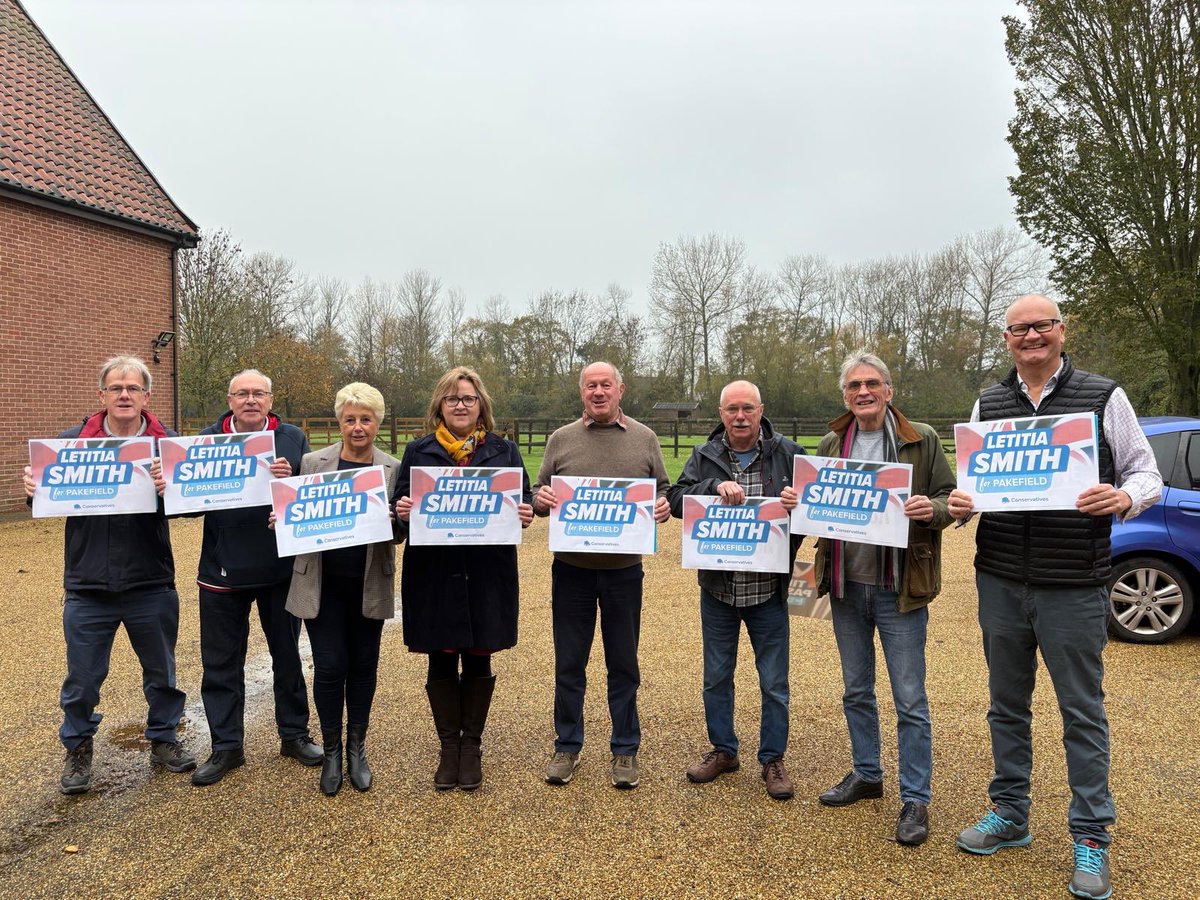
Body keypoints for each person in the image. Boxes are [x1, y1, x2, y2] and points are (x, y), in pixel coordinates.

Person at [949, 295, 1161, 899]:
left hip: (1074, 581)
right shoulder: (990, 402)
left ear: (1062, 331)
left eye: (1042, 325)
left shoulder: (1102, 395)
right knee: (1005, 705)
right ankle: (1010, 813)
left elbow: (1146, 471)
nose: (1031, 336)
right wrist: (964, 504)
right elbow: (976, 485)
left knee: (1081, 712)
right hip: (1000, 578)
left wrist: (1124, 498)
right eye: (1019, 328)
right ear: (1007, 337)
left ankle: (1091, 836)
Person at [22, 355, 195, 794]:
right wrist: (32, 490)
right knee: (81, 679)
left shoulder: (167, 443)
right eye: (116, 388)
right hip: (87, 584)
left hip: (150, 581)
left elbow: (191, 504)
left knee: (162, 674)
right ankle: (78, 748)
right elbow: (47, 501)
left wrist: (170, 490)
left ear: (146, 396)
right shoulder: (72, 442)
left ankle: (163, 738)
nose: (124, 395)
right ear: (102, 395)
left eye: (132, 388)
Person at [812, 352, 955, 846]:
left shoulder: (923, 440)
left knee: (910, 698)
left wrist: (928, 509)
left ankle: (915, 797)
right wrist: (798, 503)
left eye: (872, 383)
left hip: (900, 589)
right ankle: (867, 773)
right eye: (854, 385)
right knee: (855, 690)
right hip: (847, 586)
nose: (863, 392)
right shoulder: (833, 442)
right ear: (845, 395)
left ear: (889, 391)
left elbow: (952, 500)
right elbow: (815, 504)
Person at [394, 366, 534, 791]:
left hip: (486, 572)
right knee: (440, 654)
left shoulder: (503, 451)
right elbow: (399, 512)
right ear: (440, 405)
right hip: (434, 573)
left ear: (481, 406)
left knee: (478, 655)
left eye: (468, 398)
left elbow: (522, 499)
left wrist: (524, 512)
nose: (460, 404)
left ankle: (471, 746)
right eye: (452, 398)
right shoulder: (418, 452)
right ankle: (447, 747)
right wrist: (400, 512)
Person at [532, 361, 671, 789]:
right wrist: (542, 499)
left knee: (623, 664)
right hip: (571, 571)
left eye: (605, 385)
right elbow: (539, 496)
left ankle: (625, 748)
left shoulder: (645, 439)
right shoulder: (561, 439)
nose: (598, 392)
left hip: (624, 573)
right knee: (569, 663)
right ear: (582, 393)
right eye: (590, 385)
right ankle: (567, 745)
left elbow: (663, 490)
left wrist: (663, 506)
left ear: (620, 390)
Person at [666, 379, 804, 801]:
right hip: (719, 589)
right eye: (731, 409)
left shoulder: (790, 453)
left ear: (761, 410)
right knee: (716, 676)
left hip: (770, 588)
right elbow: (675, 499)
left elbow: (816, 510)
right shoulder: (704, 455)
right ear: (721, 414)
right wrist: (710, 488)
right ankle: (724, 750)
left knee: (774, 681)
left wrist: (801, 503)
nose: (740, 416)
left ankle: (772, 758)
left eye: (747, 408)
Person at [187, 369, 321, 786]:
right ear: (229, 399)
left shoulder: (293, 436)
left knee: (287, 656)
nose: (250, 400)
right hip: (221, 570)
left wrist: (291, 482)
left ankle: (294, 735)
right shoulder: (206, 440)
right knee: (222, 663)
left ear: (269, 398)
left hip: (279, 568)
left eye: (258, 393)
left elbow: (309, 492)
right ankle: (226, 746)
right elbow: (188, 505)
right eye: (241, 393)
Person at [283, 383, 400, 797]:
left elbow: (401, 533)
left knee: (364, 666)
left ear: (377, 422)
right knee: (331, 666)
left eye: (365, 419)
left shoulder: (392, 468)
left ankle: (357, 748)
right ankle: (331, 749)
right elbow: (295, 514)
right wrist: (282, 521)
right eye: (350, 419)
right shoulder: (313, 463)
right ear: (339, 421)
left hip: (368, 582)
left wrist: (396, 518)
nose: (357, 427)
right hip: (322, 583)